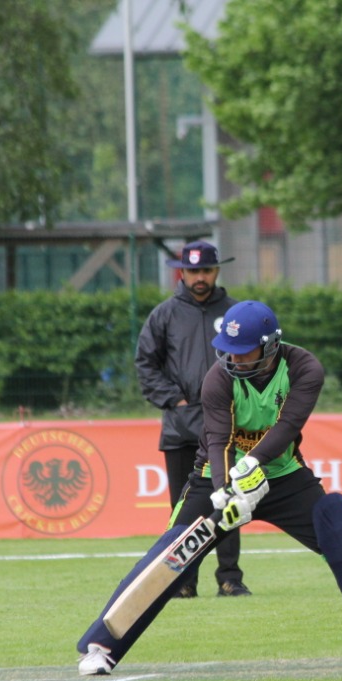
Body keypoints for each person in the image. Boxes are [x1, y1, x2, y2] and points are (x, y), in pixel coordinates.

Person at [77, 300, 342, 675]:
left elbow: (287, 427)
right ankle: (101, 647)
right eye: (228, 351)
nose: (233, 360)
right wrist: (224, 493)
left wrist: (254, 463)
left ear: (270, 345)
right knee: (171, 555)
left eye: (243, 351)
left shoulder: (304, 368)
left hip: (283, 475)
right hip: (216, 475)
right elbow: (218, 440)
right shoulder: (217, 379)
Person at [137, 239, 250, 598]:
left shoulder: (235, 313)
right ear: (182, 272)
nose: (199, 278)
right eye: (193, 271)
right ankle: (184, 581)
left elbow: (256, 362)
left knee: (229, 502)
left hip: (226, 430)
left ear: (216, 271)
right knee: (184, 510)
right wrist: (176, 399)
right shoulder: (163, 315)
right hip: (181, 429)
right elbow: (145, 364)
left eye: (206, 270)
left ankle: (230, 578)